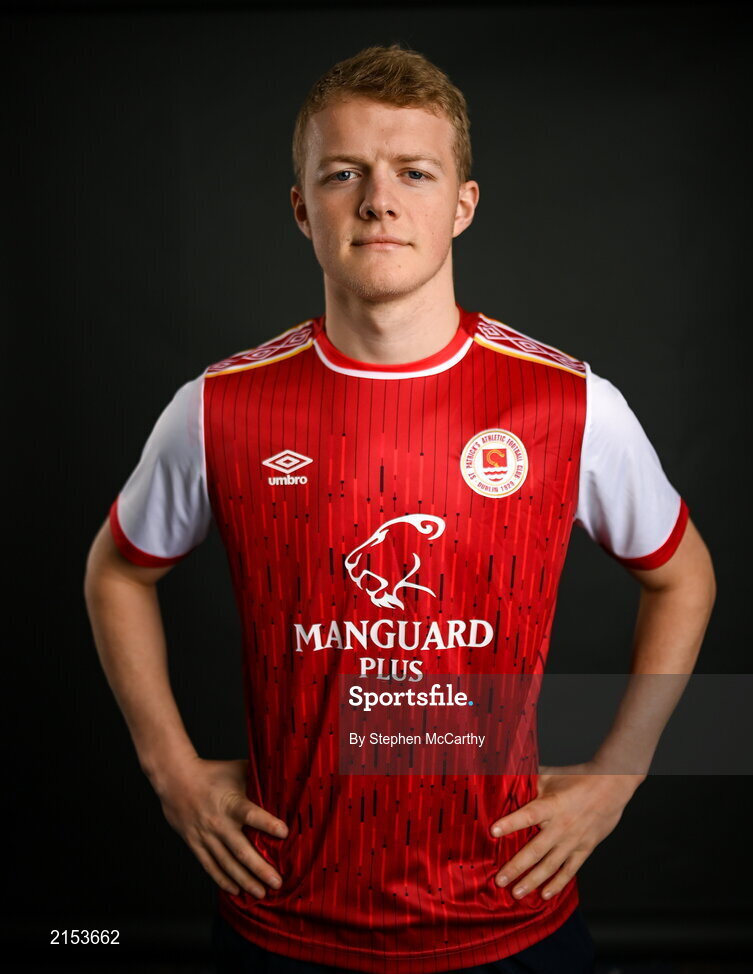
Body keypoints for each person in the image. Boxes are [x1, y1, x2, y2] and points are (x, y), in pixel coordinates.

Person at [84, 44, 716, 974]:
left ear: (460, 204)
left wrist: (618, 772)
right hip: (280, 916)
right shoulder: (218, 408)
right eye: (343, 174)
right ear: (303, 208)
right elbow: (117, 570)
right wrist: (169, 768)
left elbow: (684, 577)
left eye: (413, 173)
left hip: (511, 918)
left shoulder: (567, 405)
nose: (378, 199)